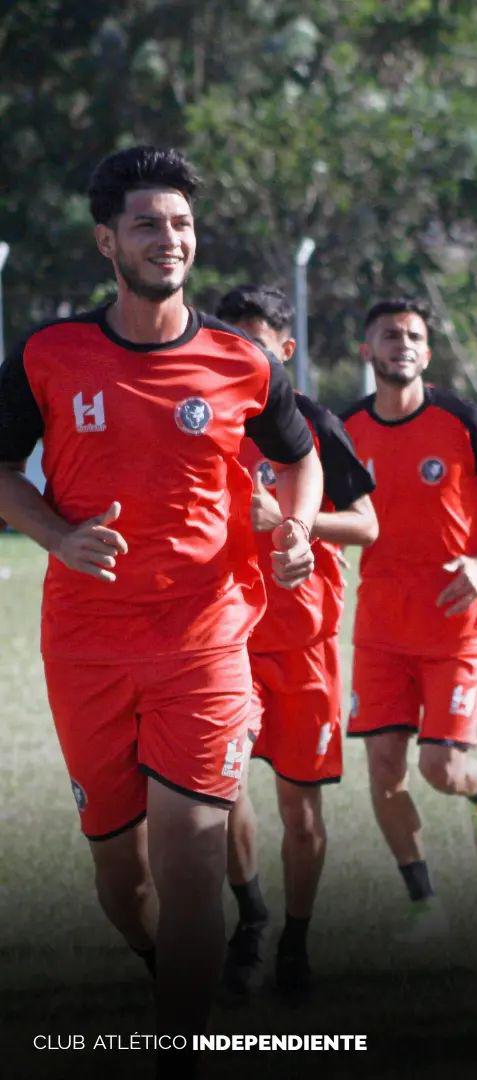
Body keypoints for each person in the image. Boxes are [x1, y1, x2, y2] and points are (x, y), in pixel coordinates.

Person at [0, 147, 322, 1067]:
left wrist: (293, 531)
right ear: (108, 241)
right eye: (147, 223)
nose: (168, 239)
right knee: (121, 876)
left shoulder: (242, 362)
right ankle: (166, 975)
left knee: (191, 856)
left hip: (206, 641)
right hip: (87, 647)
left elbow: (299, 455)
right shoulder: (47, 356)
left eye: (180, 223)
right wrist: (56, 536)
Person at [341, 298, 477, 940]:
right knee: (383, 771)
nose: (402, 343)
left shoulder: (460, 419)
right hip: (379, 629)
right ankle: (424, 903)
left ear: (427, 354)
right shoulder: (345, 431)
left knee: (440, 770)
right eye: (389, 335)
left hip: (457, 623)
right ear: (367, 351)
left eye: (414, 336)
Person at [214, 284, 377, 996]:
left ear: (284, 350)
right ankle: (251, 918)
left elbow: (367, 525)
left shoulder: (312, 423)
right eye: (231, 339)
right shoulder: (205, 418)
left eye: (256, 342)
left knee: (300, 812)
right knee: (217, 793)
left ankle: (296, 942)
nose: (242, 354)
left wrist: (289, 521)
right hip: (221, 639)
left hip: (304, 643)